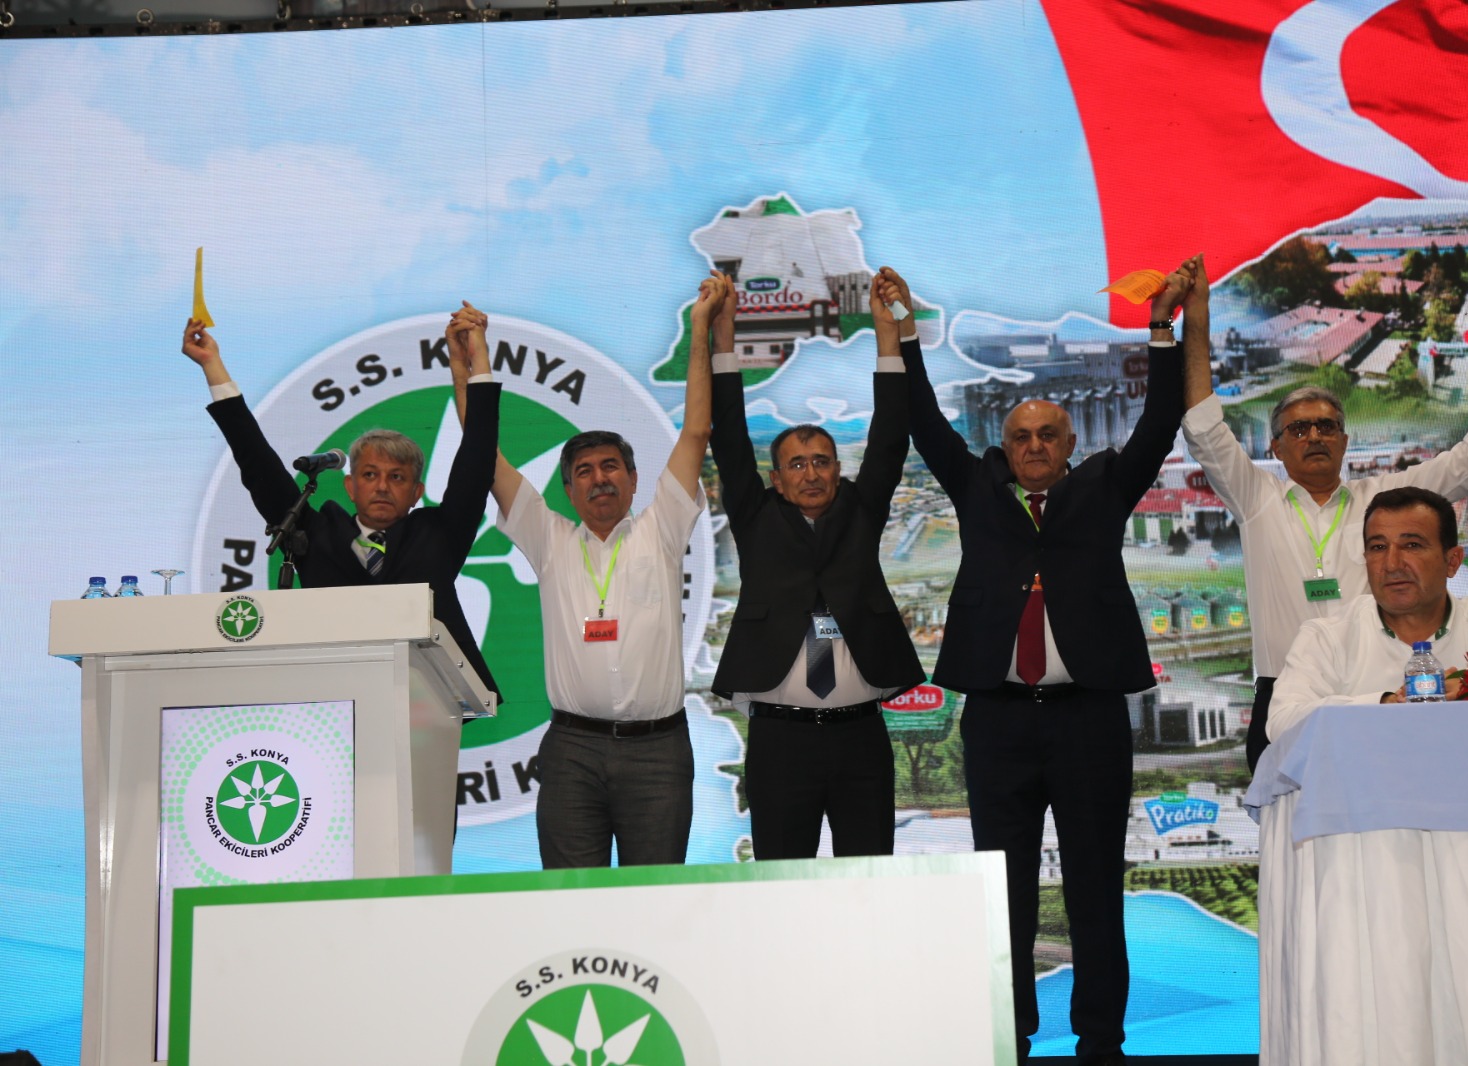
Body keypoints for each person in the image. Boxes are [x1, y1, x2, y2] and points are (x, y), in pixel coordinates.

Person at [903, 259, 1204, 1065]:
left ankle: (1101, 1042)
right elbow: (923, 420)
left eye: (1048, 436)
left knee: (1096, 890)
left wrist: (1161, 331)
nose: (1034, 447)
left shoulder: (1106, 486)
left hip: (1089, 719)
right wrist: (898, 336)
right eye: (1020, 437)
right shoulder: (974, 492)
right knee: (1000, 899)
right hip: (998, 721)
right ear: (1003, 447)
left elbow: (1161, 419)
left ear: (1071, 444)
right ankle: (1012, 1038)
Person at [1181, 277, 1468, 769]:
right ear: (1274, 447)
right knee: (1292, 835)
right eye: (1298, 428)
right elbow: (1203, 427)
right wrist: (1197, 319)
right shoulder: (1256, 496)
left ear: (1344, 441)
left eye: (1328, 426)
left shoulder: (1384, 501)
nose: (1315, 435)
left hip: (1383, 687)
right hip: (1286, 697)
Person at [445, 278, 715, 869]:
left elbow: (696, 431)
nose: (600, 479)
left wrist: (699, 328)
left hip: (659, 753)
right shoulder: (549, 538)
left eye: (612, 467)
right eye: (586, 471)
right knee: (571, 902)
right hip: (572, 751)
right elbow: (484, 458)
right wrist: (468, 366)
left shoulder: (661, 527)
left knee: (657, 903)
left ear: (634, 480)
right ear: (566, 490)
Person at [708, 266, 924, 860]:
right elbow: (727, 437)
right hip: (780, 738)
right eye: (797, 464)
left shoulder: (861, 508)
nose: (811, 473)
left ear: (838, 470)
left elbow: (889, 435)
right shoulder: (756, 516)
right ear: (776, 481)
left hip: (860, 734)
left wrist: (888, 335)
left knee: (869, 882)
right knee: (783, 889)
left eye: (823, 461)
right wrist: (724, 340)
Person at [181, 312, 502, 700]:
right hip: (329, 698)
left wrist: (476, 363)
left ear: (417, 492)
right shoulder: (314, 533)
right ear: (349, 486)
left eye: (396, 477)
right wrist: (213, 367)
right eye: (370, 475)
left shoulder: (439, 534)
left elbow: (478, 458)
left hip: (429, 701)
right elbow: (256, 461)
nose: (382, 486)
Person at [1267, 486, 1468, 736]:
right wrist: (1385, 705)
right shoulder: (1327, 637)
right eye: (1378, 547)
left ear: (1452, 561)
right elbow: (1281, 724)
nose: (1392, 564)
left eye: (1412, 545)